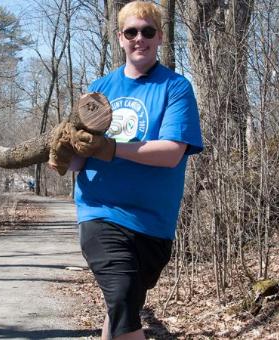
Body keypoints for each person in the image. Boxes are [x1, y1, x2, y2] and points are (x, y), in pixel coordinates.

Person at [68, 2, 204, 339]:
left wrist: (111, 148)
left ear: (159, 38)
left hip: (153, 224)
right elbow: (76, 161)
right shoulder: (99, 91)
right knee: (123, 296)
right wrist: (67, 148)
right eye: (131, 32)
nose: (139, 38)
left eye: (147, 31)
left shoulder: (175, 87)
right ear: (120, 38)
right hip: (99, 210)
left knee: (121, 308)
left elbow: (172, 153)